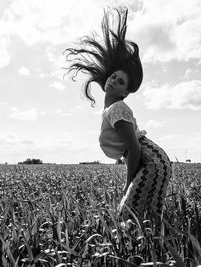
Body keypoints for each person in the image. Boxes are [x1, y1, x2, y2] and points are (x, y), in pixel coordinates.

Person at [65, 7, 172, 219]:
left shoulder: (117, 108)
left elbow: (133, 148)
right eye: (114, 76)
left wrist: (128, 183)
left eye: (120, 81)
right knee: (148, 217)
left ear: (125, 93)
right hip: (155, 161)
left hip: (152, 163)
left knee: (127, 215)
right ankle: (159, 246)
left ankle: (144, 249)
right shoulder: (111, 110)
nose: (114, 80)